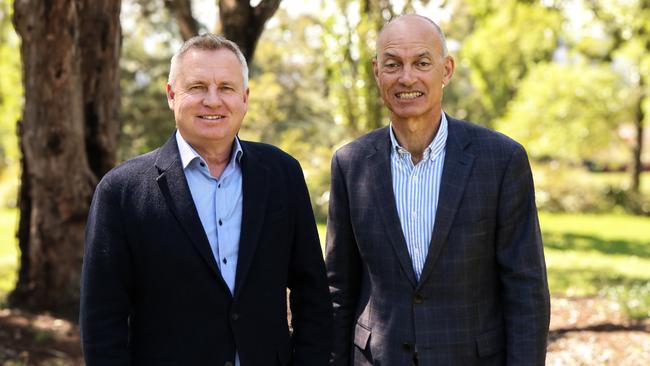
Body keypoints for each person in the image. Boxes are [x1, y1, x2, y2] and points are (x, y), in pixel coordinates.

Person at [80, 34, 332, 366]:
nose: (212, 101)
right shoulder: (121, 192)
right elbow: (102, 323)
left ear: (245, 97)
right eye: (197, 87)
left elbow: (311, 294)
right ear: (171, 95)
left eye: (226, 88)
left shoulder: (283, 174)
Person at [326, 14, 550, 365]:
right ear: (376, 72)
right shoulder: (350, 164)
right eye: (393, 64)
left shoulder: (501, 160)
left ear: (446, 70)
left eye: (422, 62)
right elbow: (339, 287)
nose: (407, 77)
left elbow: (526, 291)